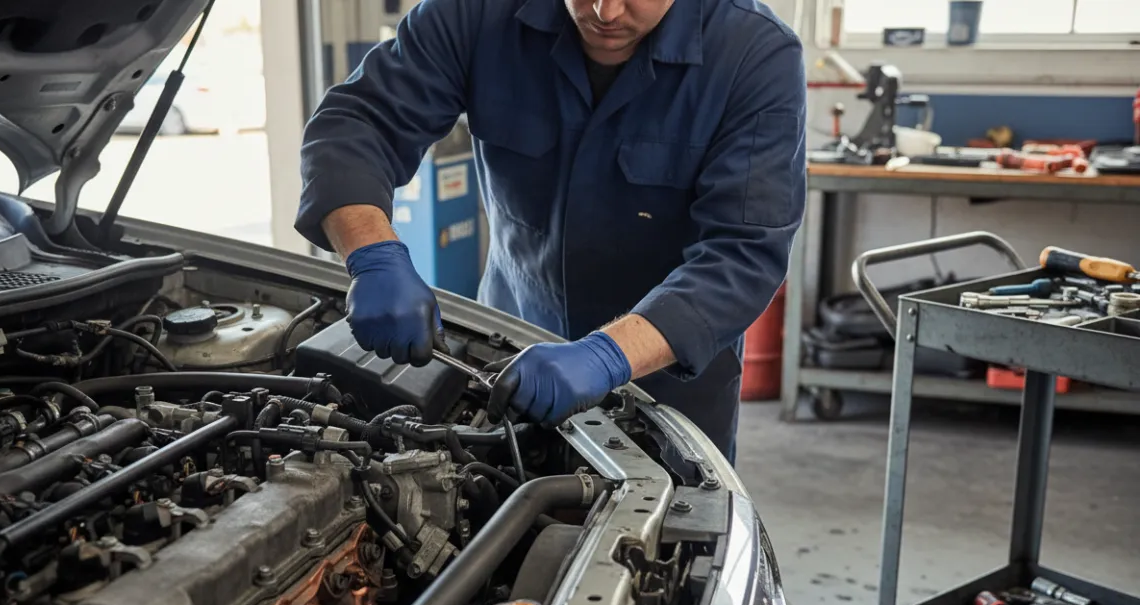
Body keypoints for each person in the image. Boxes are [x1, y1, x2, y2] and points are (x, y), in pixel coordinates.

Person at [295, 0, 806, 463]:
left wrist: (607, 356)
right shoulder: (476, 13)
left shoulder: (755, 55)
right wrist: (373, 253)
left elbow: (742, 253)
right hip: (503, 358)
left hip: (665, 383)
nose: (605, 10)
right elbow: (357, 123)